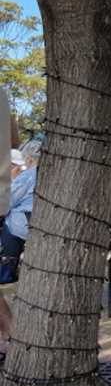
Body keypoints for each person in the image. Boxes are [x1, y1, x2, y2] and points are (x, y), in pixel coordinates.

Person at [0, 140, 40, 354]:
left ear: (30, 159)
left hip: (20, 232)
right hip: (41, 236)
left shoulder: (28, 176)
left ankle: (9, 337)